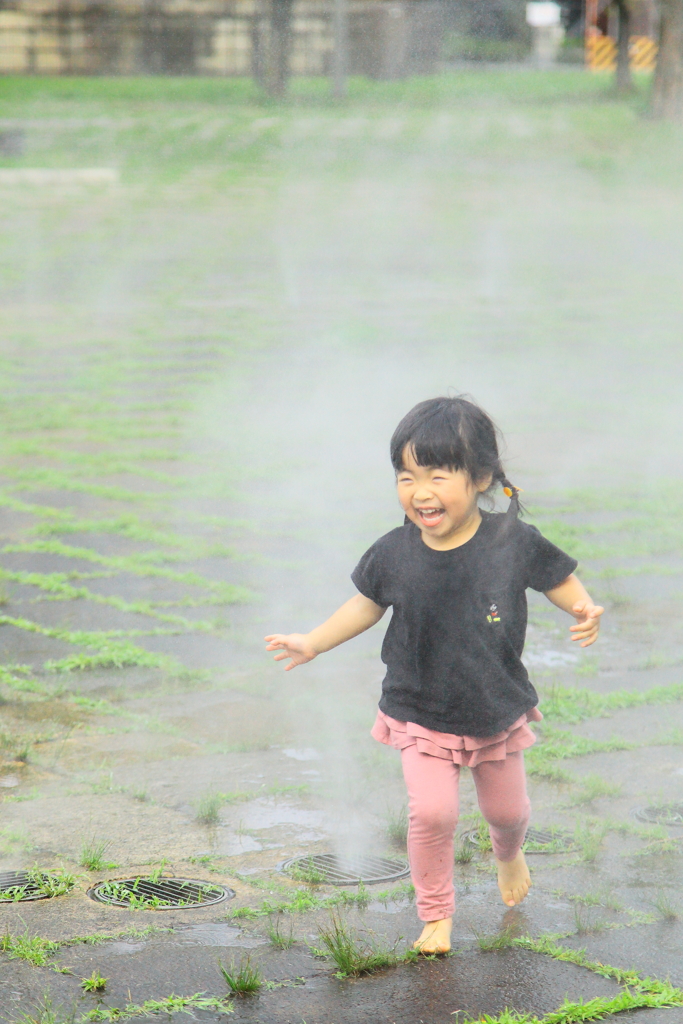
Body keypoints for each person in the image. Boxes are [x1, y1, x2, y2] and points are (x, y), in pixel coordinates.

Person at [265, 396, 603, 955]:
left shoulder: (511, 541)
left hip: (494, 703)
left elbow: (557, 577)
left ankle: (508, 852)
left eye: (437, 476)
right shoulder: (395, 553)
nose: (420, 492)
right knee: (433, 813)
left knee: (509, 812)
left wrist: (583, 609)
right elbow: (365, 605)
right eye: (406, 476)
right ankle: (436, 913)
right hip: (418, 706)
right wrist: (314, 642)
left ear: (480, 479)